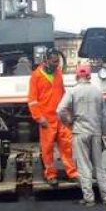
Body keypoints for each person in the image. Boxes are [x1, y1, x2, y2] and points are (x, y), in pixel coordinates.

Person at [58, 64, 106, 206]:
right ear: (89, 76)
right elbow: (104, 115)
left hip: (80, 132)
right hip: (96, 132)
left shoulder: (72, 91)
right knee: (99, 165)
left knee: (84, 166)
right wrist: (104, 133)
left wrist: (68, 122)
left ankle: (89, 198)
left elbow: (60, 109)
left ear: (77, 76)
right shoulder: (98, 91)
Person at [28, 48, 78, 186]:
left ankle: (72, 173)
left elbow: (62, 95)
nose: (57, 64)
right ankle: (50, 175)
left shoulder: (58, 73)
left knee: (67, 145)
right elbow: (32, 100)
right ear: (46, 60)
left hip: (60, 118)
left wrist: (67, 114)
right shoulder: (36, 76)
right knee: (47, 148)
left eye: (58, 61)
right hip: (46, 119)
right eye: (54, 61)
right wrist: (39, 117)